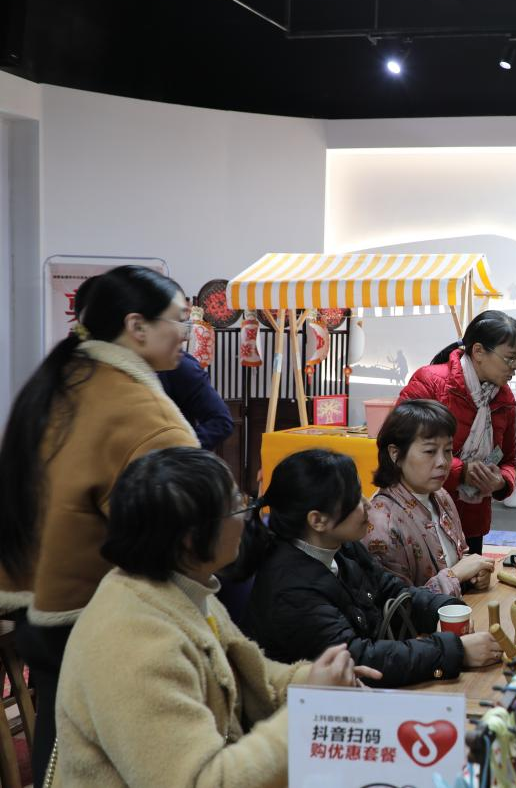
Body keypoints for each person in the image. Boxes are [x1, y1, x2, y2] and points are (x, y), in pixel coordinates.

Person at [52, 447, 378, 787]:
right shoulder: (133, 645)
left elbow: (250, 676)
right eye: (236, 506)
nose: (247, 516)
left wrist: (314, 680)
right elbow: (200, 782)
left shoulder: (181, 587)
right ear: (190, 539)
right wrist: (310, 709)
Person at [0, 265, 197, 783]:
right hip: (101, 619)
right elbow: (181, 535)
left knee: (61, 755)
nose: (187, 332)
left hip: (41, 608)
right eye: (179, 319)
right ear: (137, 326)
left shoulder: (60, 381)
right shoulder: (139, 411)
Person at [233, 449, 501, 686]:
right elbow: (359, 660)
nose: (368, 504)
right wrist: (454, 651)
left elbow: (393, 591)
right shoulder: (292, 590)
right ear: (317, 520)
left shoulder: (341, 547)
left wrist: (444, 610)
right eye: (354, 500)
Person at [397, 311, 516, 554]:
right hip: (423, 517)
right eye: (510, 358)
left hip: (472, 521)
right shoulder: (431, 382)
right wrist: (461, 471)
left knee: (472, 578)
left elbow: (508, 460)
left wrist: (500, 482)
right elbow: (401, 445)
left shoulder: (504, 399)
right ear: (478, 351)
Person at [77, 274, 233, 450]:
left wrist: (179, 452)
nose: (184, 335)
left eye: (184, 322)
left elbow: (220, 420)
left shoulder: (179, 366)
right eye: (178, 321)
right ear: (136, 326)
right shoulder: (103, 381)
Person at [365, 399, 496, 594]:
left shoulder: (441, 496)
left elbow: (459, 558)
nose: (443, 462)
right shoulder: (381, 524)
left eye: (448, 450)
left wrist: (474, 574)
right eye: (430, 451)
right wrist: (456, 576)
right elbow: (397, 604)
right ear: (395, 454)